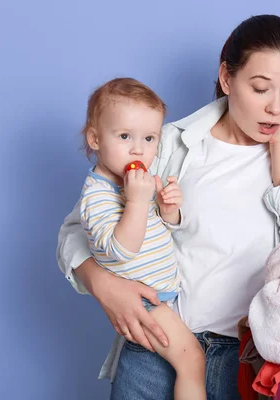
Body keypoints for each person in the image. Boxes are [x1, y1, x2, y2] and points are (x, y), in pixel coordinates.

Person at [57, 14, 280, 400]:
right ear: (227, 79)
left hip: (250, 361)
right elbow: (77, 231)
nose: (276, 108)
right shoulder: (168, 143)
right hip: (158, 345)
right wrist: (105, 286)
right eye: (261, 88)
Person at [76, 77, 206, 400]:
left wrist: (167, 209)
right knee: (193, 363)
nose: (138, 149)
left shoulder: (135, 180)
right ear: (95, 139)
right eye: (124, 137)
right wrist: (136, 201)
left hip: (164, 297)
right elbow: (120, 250)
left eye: (149, 138)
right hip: (144, 302)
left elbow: (156, 230)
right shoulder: (96, 196)